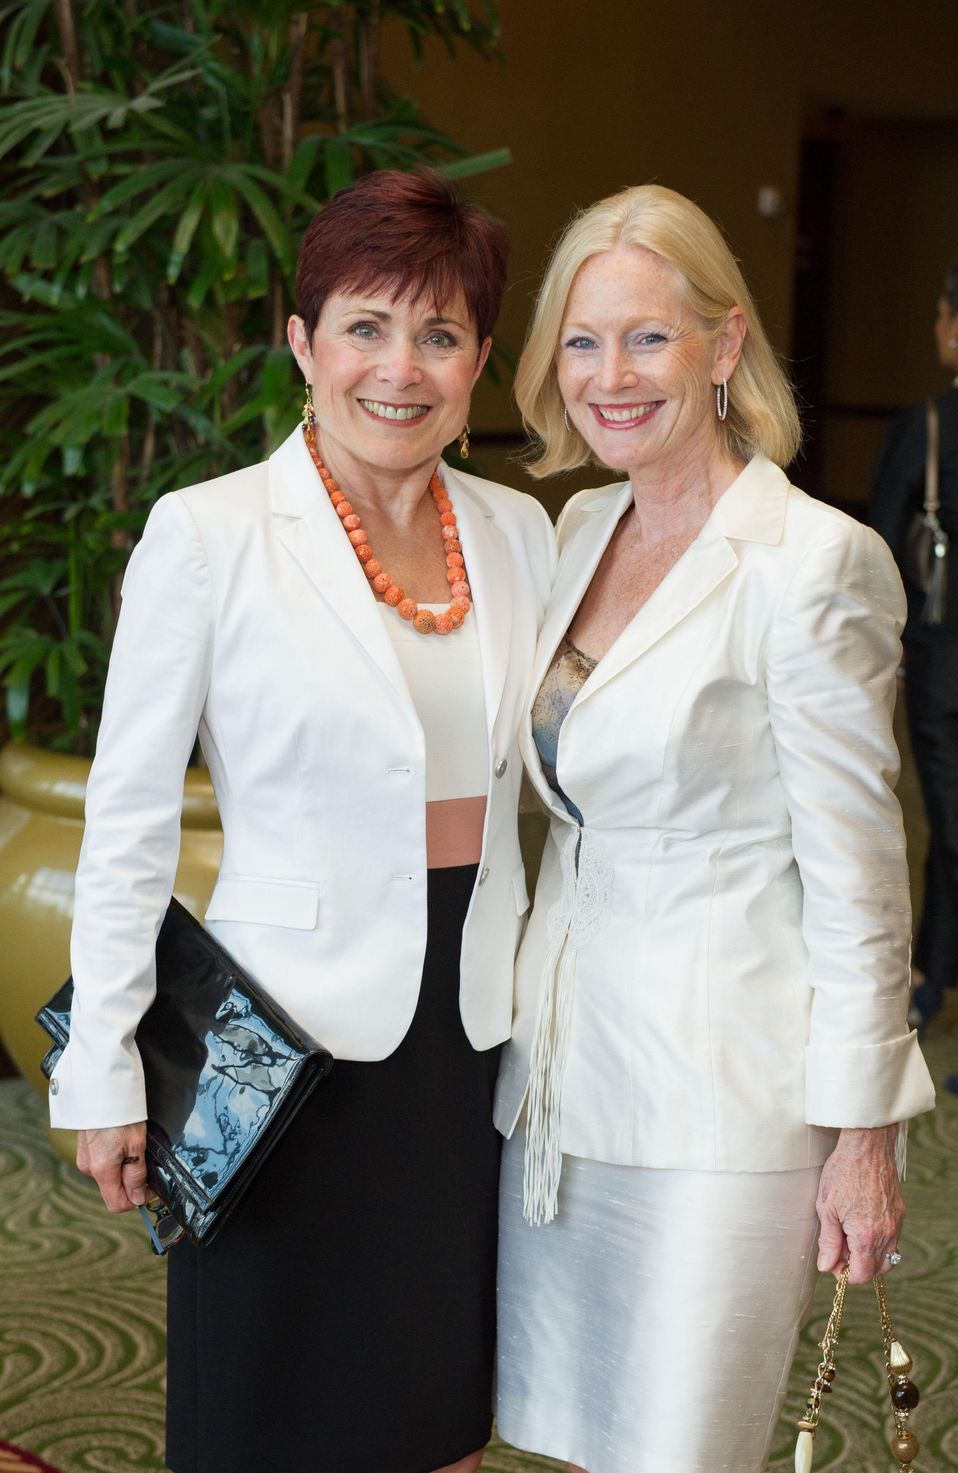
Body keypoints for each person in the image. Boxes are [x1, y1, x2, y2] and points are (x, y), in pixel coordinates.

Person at [46, 168, 556, 1473]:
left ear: (481, 359)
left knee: (436, 1396)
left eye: (440, 335)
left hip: (462, 1020)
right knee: (270, 1398)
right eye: (366, 327)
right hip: (279, 1040)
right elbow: (129, 818)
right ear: (303, 343)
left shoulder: (518, 531)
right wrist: (102, 1064)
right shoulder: (209, 534)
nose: (402, 367)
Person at [491, 184, 936, 1473]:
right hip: (560, 1087)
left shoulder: (813, 562)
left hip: (721, 1105)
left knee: (682, 1449)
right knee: (580, 1439)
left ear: (722, 345)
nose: (608, 375)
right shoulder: (577, 528)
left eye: (646, 336)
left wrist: (863, 1137)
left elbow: (861, 877)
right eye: (580, 342)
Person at [870, 250, 958, 1098]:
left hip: (949, 662)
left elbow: (878, 544)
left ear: (956, 324)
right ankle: (930, 979)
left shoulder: (932, 423)